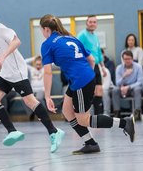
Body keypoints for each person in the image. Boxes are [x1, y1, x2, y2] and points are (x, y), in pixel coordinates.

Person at [0, 2, 65, 153]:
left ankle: (54, 132)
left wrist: (2, 57)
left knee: (30, 101)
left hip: (17, 71)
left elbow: (16, 41)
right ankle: (12, 131)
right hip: (6, 73)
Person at [39, 14, 135, 154]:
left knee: (83, 119)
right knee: (67, 111)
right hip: (83, 78)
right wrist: (86, 75)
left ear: (46, 29)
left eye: (42, 30)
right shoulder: (70, 37)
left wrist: (47, 97)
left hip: (80, 82)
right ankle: (91, 143)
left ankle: (125, 123)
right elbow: (91, 60)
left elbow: (47, 72)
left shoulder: (47, 44)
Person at [77, 15, 106, 115]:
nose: (92, 24)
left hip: (97, 66)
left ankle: (98, 116)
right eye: (90, 22)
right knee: (88, 91)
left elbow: (98, 52)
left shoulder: (95, 36)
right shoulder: (82, 35)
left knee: (99, 90)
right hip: (87, 66)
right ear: (87, 23)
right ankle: (85, 114)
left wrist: (103, 67)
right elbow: (77, 50)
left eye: (94, 22)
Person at [113, 50, 143, 120]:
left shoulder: (138, 67)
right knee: (115, 90)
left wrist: (128, 87)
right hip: (122, 87)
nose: (127, 61)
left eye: (129, 59)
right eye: (125, 59)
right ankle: (117, 113)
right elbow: (117, 83)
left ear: (132, 59)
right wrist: (124, 76)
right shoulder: (119, 68)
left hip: (134, 87)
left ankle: (137, 113)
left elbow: (140, 82)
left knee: (137, 89)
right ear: (123, 59)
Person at [0, 57, 17, 123]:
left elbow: (9, 85)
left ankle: (3, 117)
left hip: (10, 91)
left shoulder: (6, 72)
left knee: (1, 97)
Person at [24, 55, 45, 120]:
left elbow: (52, 64)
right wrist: (34, 58)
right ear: (34, 64)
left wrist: (44, 57)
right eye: (37, 64)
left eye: (39, 64)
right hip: (32, 89)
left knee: (38, 99)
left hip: (41, 89)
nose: (38, 66)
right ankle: (31, 113)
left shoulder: (44, 69)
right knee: (25, 99)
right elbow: (24, 62)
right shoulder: (32, 69)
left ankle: (41, 114)